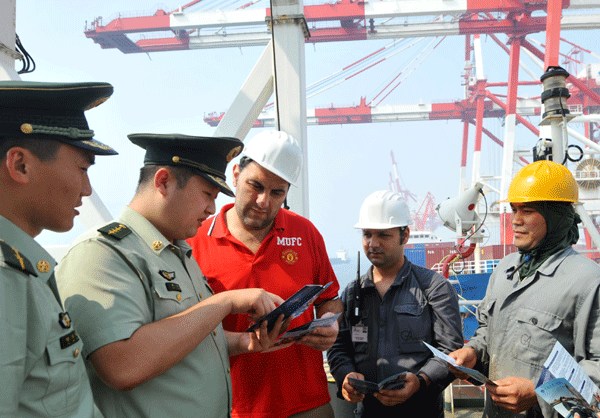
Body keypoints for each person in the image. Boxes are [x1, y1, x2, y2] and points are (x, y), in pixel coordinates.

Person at [56, 133, 286, 418]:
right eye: (207, 195)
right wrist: (224, 303)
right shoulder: (102, 254)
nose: (211, 209)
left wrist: (242, 342)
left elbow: (183, 337)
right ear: (163, 182)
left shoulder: (178, 252)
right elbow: (122, 365)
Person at [188, 130, 343, 418]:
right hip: (229, 408)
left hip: (307, 404)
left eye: (277, 193)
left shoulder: (305, 233)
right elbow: (183, 328)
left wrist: (329, 324)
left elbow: (330, 298)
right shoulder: (195, 241)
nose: (263, 202)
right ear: (235, 174)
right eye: (255, 186)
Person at [0, 80, 117, 417]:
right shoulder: (8, 277)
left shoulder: (24, 271)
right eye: (82, 169)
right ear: (20, 165)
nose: (86, 189)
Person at [449, 160, 600, 418]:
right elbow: (489, 331)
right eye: (514, 210)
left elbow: (597, 368)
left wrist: (539, 392)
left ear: (555, 217)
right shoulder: (505, 270)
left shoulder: (588, 281)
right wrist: (473, 354)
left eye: (527, 211)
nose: (515, 221)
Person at [327, 190, 463, 418]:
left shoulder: (433, 288)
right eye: (367, 235)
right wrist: (346, 375)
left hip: (422, 411)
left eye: (383, 235)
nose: (373, 243)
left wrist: (421, 382)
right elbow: (338, 345)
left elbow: (450, 351)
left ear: (405, 235)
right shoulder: (352, 293)